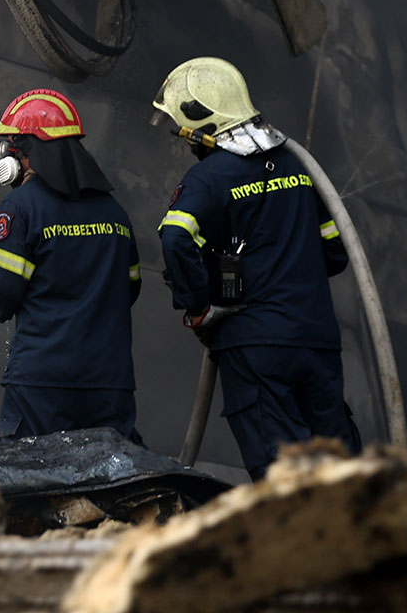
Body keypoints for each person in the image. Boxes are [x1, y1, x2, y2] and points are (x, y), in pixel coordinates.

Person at [150, 56, 361, 478]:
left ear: (202, 123)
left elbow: (175, 236)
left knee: (280, 466)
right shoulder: (296, 166)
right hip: (315, 336)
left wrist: (199, 307)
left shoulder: (209, 177)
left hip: (256, 342)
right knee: (339, 458)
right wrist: (290, 269)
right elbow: (336, 251)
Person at [0, 88, 142, 444]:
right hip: (109, 381)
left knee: (28, 471)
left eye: (12, 145)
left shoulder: (20, 207)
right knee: (113, 474)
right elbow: (130, 289)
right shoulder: (115, 214)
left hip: (42, 384)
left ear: (26, 154)